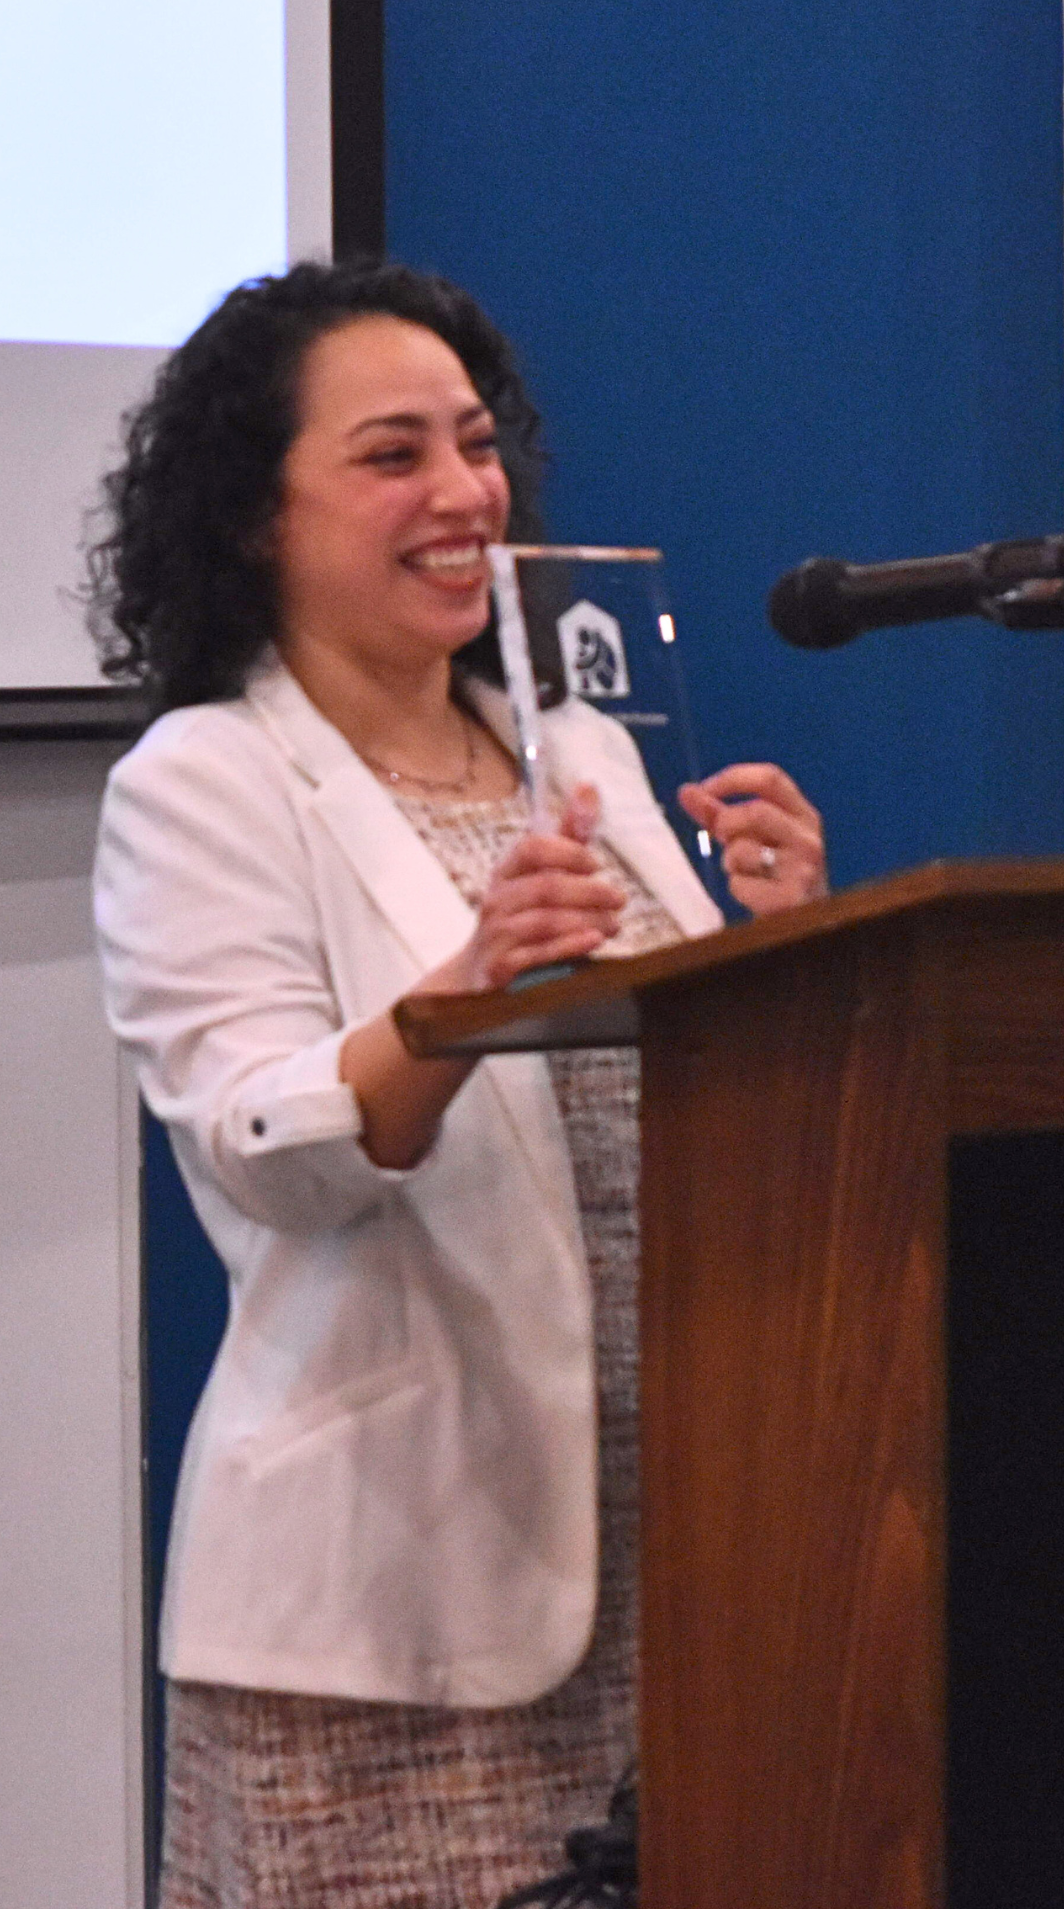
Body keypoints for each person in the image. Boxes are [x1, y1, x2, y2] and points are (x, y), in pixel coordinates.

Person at [88, 259, 826, 1909]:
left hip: (671, 1556)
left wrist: (783, 945)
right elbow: (257, 1145)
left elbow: (696, 1095)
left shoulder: (584, 755)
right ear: (251, 517)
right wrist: (458, 993)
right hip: (393, 1598)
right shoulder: (200, 784)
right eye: (390, 454)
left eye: (476, 444)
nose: (461, 493)